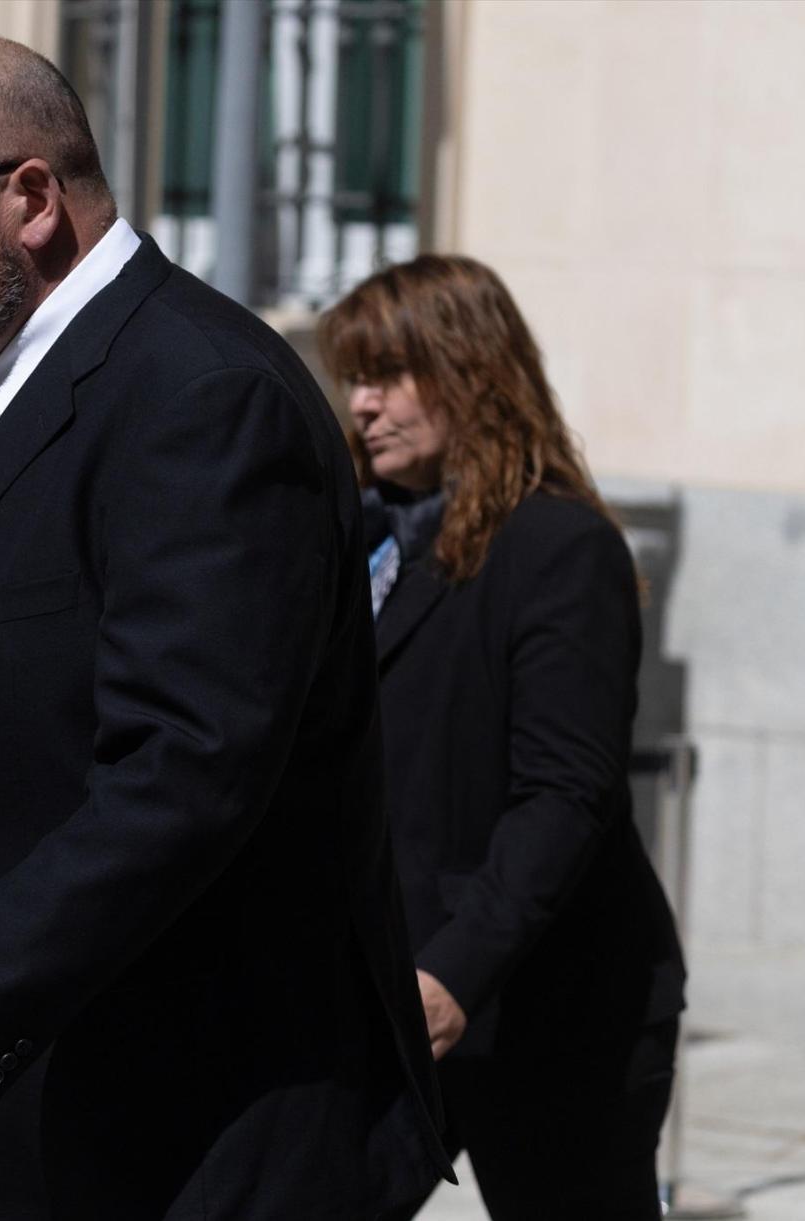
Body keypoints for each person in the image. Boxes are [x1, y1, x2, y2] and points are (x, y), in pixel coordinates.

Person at [0, 36, 449, 1221]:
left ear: (28, 198)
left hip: (182, 1145)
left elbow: (178, 781)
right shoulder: (14, 397)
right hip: (25, 1133)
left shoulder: (198, 394)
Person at [317, 255, 686, 1221]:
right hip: (393, 998)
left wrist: (453, 971)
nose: (362, 404)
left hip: (553, 1009)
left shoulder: (559, 547)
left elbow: (566, 794)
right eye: (354, 377)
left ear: (472, 372)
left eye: (390, 375)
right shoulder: (359, 538)